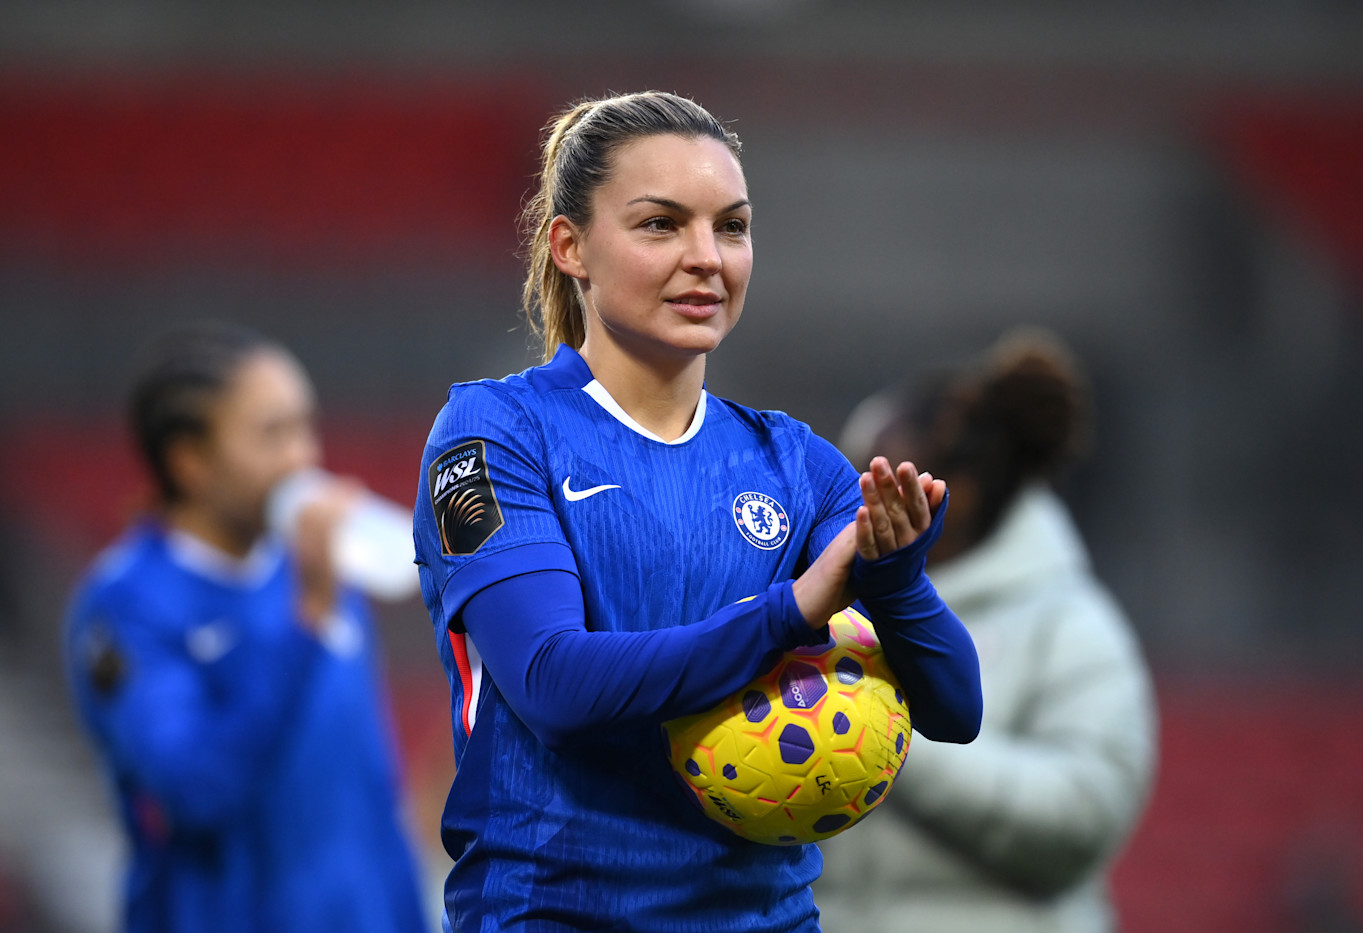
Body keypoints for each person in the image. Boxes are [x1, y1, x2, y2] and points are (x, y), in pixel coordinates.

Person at [412, 90, 983, 933]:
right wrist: (788, 611)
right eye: (659, 225)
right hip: (555, 914)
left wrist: (895, 582)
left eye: (732, 226)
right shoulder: (493, 435)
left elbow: (956, 709)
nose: (706, 257)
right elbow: (552, 685)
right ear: (571, 247)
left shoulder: (794, 462)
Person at [64, 322, 429, 933]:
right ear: (190, 461)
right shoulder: (125, 607)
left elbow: (370, 793)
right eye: (271, 434)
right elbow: (196, 789)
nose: (303, 458)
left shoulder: (313, 565)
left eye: (304, 426)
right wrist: (303, 624)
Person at [814, 328, 1158, 933]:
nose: (854, 506)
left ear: (959, 495)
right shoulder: (833, 607)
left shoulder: (1071, 626)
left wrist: (875, 733)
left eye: (878, 486)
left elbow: (1080, 821)